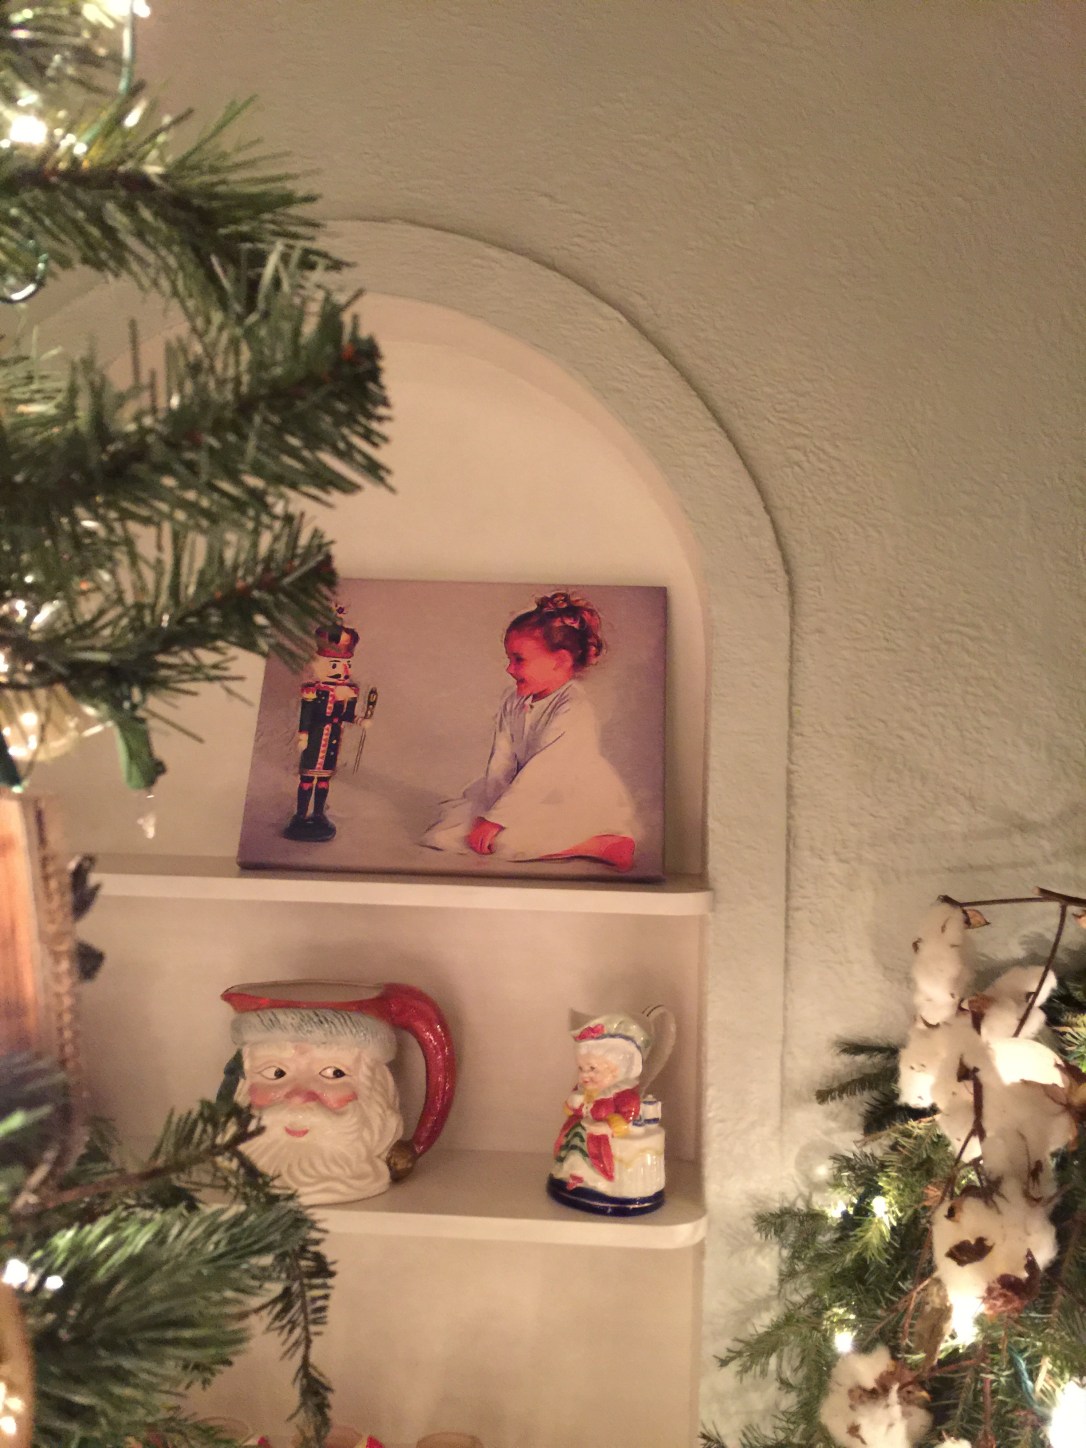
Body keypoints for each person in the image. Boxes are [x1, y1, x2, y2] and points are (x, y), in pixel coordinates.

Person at [421, 591, 637, 870]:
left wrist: (498, 820)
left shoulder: (573, 708)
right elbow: (502, 759)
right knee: (449, 830)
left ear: (560, 661)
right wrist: (491, 810)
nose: (509, 669)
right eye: (509, 659)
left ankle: (599, 843)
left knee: (508, 842)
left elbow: (544, 773)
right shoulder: (513, 700)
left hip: (564, 795)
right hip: (525, 792)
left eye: (519, 659)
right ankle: (505, 825)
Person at [283, 604, 377, 843]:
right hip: (314, 738)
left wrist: (360, 720)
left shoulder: (347, 691)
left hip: (333, 739)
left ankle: (318, 814)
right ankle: (301, 815)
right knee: (307, 778)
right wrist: (303, 734)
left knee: (324, 779)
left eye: (346, 665)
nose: (342, 671)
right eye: (335, 665)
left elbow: (346, 715)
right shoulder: (313, 690)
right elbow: (306, 714)